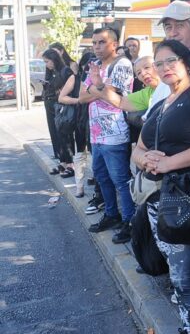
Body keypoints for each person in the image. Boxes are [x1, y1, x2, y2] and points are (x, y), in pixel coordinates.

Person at [131, 40, 190, 334]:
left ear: (187, 62)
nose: (164, 68)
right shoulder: (161, 104)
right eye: (159, 63)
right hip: (160, 201)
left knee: (186, 279)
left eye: (171, 60)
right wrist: (145, 159)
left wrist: (170, 163)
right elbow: (138, 147)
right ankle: (189, 327)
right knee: (178, 277)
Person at [78, 27, 135, 245]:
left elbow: (115, 97)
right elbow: (82, 97)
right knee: (102, 177)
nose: (96, 47)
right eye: (94, 43)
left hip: (114, 133)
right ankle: (112, 215)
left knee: (121, 180)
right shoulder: (95, 65)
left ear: (114, 44)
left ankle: (129, 221)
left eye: (101, 42)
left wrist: (97, 88)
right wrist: (100, 90)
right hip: (96, 134)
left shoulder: (122, 64)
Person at [58, 53, 98, 197]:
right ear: (82, 65)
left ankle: (95, 187)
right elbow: (61, 97)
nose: (90, 69)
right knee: (80, 153)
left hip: (96, 122)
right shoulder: (75, 79)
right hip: (80, 120)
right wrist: (79, 100)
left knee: (95, 155)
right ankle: (79, 187)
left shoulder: (99, 79)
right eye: (88, 65)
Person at [42, 48, 75, 178]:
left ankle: (71, 165)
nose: (46, 65)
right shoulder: (53, 71)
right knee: (56, 135)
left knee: (65, 135)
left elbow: (72, 87)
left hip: (63, 107)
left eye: (47, 61)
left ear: (54, 59)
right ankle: (63, 162)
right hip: (52, 106)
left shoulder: (65, 70)